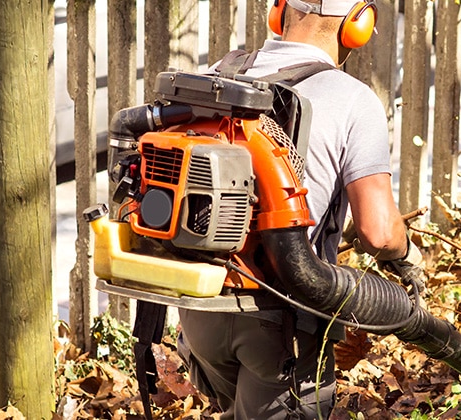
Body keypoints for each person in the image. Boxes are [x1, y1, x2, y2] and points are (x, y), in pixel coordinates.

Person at [176, 0, 423, 418]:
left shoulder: (221, 73)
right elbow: (378, 231)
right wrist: (408, 258)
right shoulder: (352, 98)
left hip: (200, 308)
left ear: (280, 11)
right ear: (358, 24)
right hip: (282, 317)